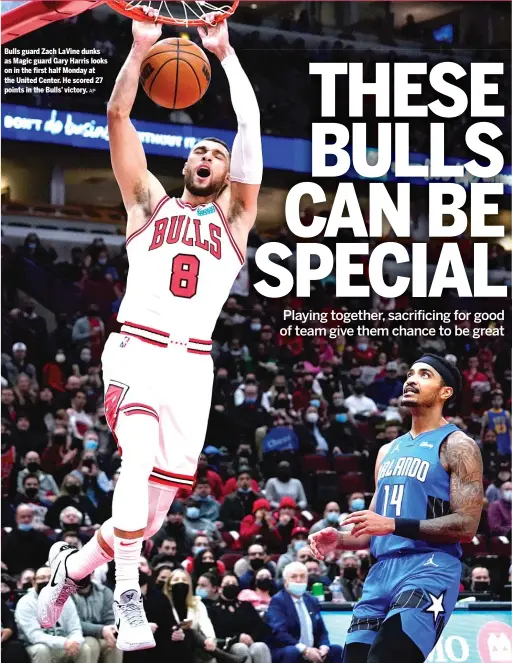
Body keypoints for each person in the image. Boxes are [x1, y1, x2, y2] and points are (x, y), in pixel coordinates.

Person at [38, 5, 263, 653]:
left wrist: (225, 55)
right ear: (185, 163)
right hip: (136, 349)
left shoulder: (235, 221)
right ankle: (129, 592)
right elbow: (118, 119)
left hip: (193, 369)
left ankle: (72, 569)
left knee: (150, 512)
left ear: (227, 176)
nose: (205, 154)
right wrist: (138, 52)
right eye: (197, 146)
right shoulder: (147, 204)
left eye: (216, 153)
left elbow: (247, 122)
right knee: (134, 456)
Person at [310, 354, 484, 663]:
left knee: (387, 657)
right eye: (410, 372)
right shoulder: (387, 451)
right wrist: (340, 538)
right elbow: (372, 526)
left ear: (445, 392)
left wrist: (392, 524)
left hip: (429, 567)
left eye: (425, 374)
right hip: (381, 572)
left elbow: (467, 526)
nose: (411, 379)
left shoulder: (458, 445)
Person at [265, 562, 342, 663]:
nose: (298, 580)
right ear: (285, 581)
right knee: (292, 652)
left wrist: (324, 647)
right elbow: (280, 633)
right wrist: (305, 650)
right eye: (293, 576)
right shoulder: (278, 601)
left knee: (336, 649)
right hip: (288, 649)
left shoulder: (311, 600)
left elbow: (322, 631)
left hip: (312, 648)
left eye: (302, 576)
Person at [15, 566, 90, 663]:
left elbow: (75, 628)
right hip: (35, 646)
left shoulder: (65, 599)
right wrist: (64, 643)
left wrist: (74, 642)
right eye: (41, 578)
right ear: (34, 582)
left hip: (64, 645)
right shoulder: (26, 603)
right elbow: (35, 636)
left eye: (50, 578)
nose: (46, 581)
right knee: (41, 650)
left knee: (84, 647)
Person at [208, 573, 272, 663]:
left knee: (260, 646)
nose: (231, 586)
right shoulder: (213, 609)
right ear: (219, 588)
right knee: (241, 648)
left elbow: (258, 625)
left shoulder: (246, 605)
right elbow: (217, 632)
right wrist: (238, 638)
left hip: (251, 642)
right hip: (228, 646)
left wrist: (251, 638)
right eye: (227, 584)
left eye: (234, 584)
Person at [71, 575, 122, 663]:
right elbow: (73, 623)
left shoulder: (105, 592)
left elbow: (110, 621)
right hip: (77, 635)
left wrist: (113, 631)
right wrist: (100, 630)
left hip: (102, 635)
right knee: (91, 644)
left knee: (116, 643)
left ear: (92, 572)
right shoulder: (65, 594)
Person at [2, 505, 51, 575]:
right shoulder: (8, 538)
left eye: (29, 516)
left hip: (38, 574)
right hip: (15, 575)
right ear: (16, 518)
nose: (26, 519)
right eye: (23, 517)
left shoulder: (41, 537)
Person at [481, 390, 511, 456]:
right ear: (492, 401)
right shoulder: (487, 414)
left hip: (505, 440)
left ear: (502, 401)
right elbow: (482, 430)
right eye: (495, 399)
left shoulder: (506, 414)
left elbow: (510, 429)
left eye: (499, 399)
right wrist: (482, 443)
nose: (497, 401)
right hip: (493, 442)